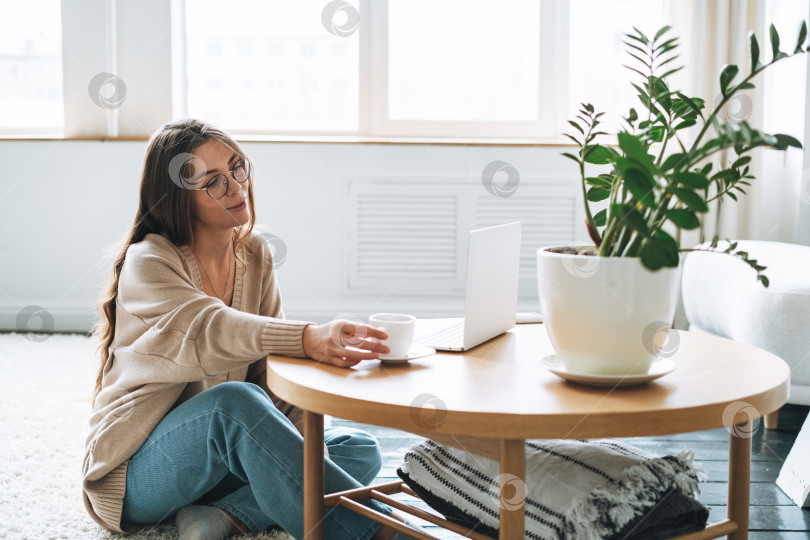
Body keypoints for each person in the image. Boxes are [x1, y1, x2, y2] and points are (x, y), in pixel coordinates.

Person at [83, 119, 423, 540]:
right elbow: (208, 328)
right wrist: (307, 338)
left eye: (237, 168)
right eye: (213, 182)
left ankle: (223, 516)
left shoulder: (255, 254)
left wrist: (298, 446)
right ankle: (380, 534)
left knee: (356, 447)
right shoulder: (149, 261)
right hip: (141, 472)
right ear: (178, 199)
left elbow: (270, 374)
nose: (236, 187)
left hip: (219, 465)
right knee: (233, 404)